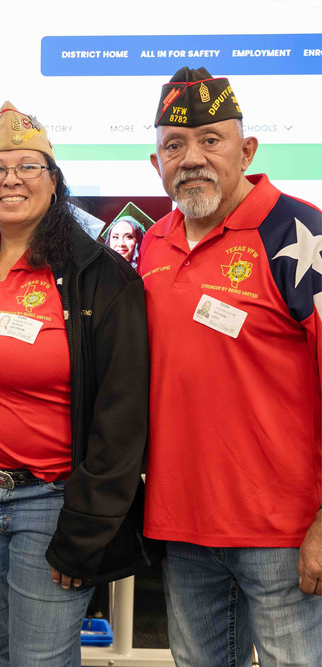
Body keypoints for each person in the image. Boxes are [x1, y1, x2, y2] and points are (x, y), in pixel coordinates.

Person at [0, 102, 159, 666]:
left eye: (29, 166)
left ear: (54, 182)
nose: (11, 179)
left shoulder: (99, 276)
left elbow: (122, 415)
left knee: (40, 660)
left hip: (51, 503)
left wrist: (86, 528)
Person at [141, 66, 322, 666]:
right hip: (183, 527)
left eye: (211, 140)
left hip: (284, 533)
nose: (192, 157)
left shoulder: (298, 232)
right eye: (175, 144)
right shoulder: (152, 243)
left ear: (246, 150)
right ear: (155, 163)